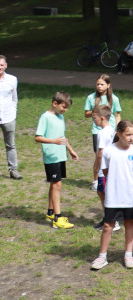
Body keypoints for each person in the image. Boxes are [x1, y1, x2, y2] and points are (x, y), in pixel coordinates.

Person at [90, 120, 133, 271]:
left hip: (130, 196)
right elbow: (106, 173)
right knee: (107, 226)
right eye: (128, 134)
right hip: (113, 196)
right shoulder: (108, 151)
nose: (131, 138)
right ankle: (102, 256)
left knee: (129, 223)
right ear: (118, 134)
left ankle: (129, 254)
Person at [36, 91, 78, 229]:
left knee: (55, 184)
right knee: (57, 185)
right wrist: (53, 141)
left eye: (66, 108)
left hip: (60, 156)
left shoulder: (60, 117)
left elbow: (62, 137)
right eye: (63, 107)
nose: (65, 110)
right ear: (55, 104)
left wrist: (70, 150)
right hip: (51, 156)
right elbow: (38, 137)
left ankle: (51, 212)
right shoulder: (45, 117)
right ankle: (58, 219)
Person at [0, 55, 21, 179]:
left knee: (10, 145)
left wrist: (14, 112)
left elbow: (15, 98)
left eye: (1, 65)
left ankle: (13, 170)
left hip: (8, 117)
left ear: (6, 66)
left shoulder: (12, 79)